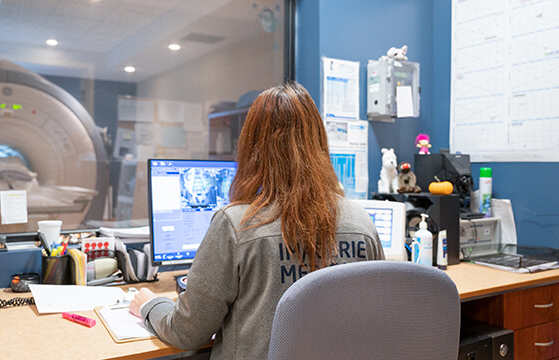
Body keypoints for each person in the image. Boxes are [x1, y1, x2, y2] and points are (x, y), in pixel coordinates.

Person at [129, 82, 384, 359]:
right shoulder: (361, 223)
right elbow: (375, 319)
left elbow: (188, 332)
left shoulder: (236, 224)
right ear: (319, 141)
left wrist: (150, 305)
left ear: (252, 147)